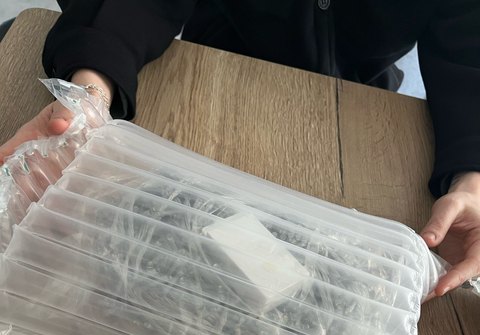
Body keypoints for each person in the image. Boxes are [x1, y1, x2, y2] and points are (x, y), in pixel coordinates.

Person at [1, 0, 479, 296]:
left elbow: (469, 48)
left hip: (362, 111)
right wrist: (88, 96)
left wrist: (472, 178)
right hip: (207, 79)